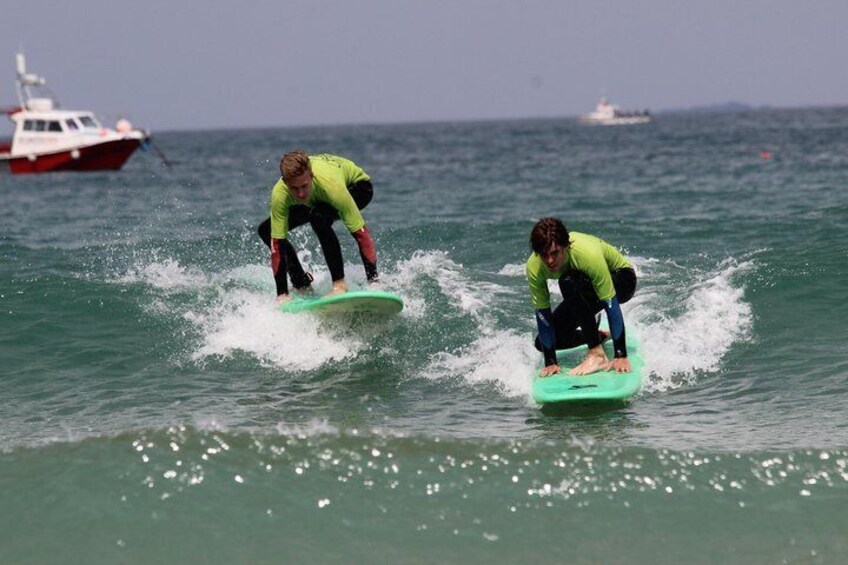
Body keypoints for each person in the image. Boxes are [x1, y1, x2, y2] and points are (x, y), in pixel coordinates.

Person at [257, 151, 378, 304]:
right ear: (285, 182)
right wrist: (281, 294)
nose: (300, 193)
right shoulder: (280, 195)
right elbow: (277, 245)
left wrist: (374, 283)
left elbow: (362, 234)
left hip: (357, 188)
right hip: (316, 199)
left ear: (312, 176)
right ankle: (301, 284)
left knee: (318, 217)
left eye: (304, 186)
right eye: (294, 188)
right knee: (266, 230)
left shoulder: (332, 187)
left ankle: (339, 285)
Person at [526, 217, 637, 377]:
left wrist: (620, 355)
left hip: (622, 280)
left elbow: (609, 302)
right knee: (541, 343)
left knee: (567, 281)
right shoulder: (534, 267)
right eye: (544, 255)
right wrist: (550, 362)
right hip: (585, 288)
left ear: (565, 246)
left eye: (554, 253)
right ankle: (600, 336)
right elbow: (543, 314)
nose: (549, 260)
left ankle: (597, 354)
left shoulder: (586, 253)